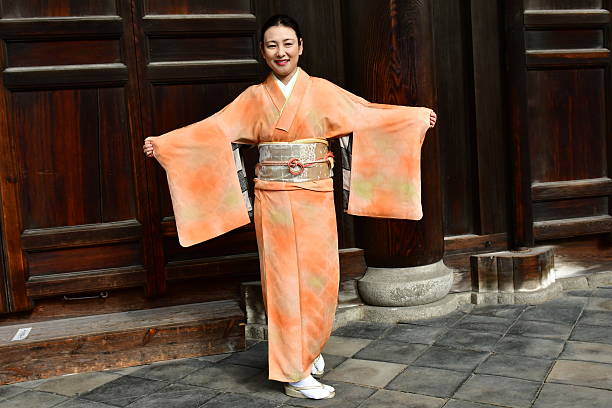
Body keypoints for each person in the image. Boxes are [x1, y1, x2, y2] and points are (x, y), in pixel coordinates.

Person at [143, 14, 437, 400]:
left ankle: (307, 349)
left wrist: (412, 119)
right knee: (283, 284)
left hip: (315, 198)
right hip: (275, 201)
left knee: (321, 278)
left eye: (287, 43)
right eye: (271, 45)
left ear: (300, 46)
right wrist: (165, 145)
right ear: (263, 53)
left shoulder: (323, 91)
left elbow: (366, 114)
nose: (280, 52)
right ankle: (293, 372)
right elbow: (213, 130)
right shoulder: (253, 98)